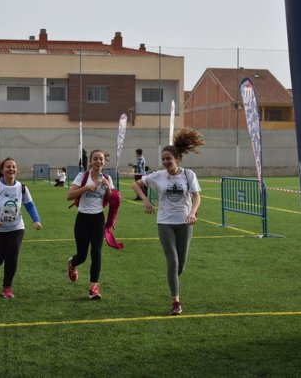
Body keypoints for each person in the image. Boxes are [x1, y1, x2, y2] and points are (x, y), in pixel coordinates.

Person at [131, 128, 204, 315]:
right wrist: (145, 199)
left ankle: (173, 281)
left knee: (181, 265)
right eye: (163, 159)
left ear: (177, 159)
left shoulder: (188, 175)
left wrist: (193, 213)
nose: (165, 162)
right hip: (164, 223)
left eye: (168, 159)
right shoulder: (158, 176)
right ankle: (176, 302)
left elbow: (196, 197)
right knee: (172, 261)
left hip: (185, 223)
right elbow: (136, 183)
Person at [0, 157, 42, 299]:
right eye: (8, 167)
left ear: (17, 170)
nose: (11, 169)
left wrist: (36, 220)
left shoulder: (22, 188)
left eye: (13, 167)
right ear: (2, 170)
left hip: (16, 228)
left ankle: (7, 287)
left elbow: (30, 204)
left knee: (12, 257)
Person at [66, 149, 113, 300]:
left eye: (101, 159)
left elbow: (113, 200)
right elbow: (69, 196)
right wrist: (87, 187)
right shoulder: (82, 176)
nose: (98, 161)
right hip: (82, 219)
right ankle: (72, 263)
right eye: (95, 159)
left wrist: (108, 189)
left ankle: (94, 288)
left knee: (96, 254)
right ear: (91, 162)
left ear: (104, 161)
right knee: (82, 255)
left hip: (98, 219)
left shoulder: (107, 178)